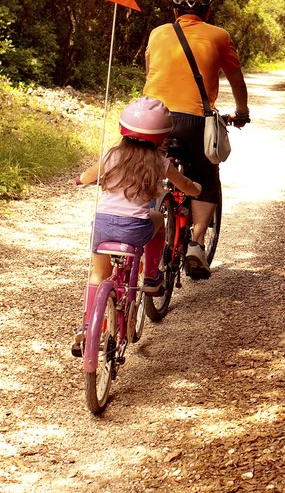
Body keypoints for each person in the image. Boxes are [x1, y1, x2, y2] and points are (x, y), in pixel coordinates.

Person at [71, 97, 201, 357]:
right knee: (158, 220)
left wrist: (80, 180)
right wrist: (196, 189)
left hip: (103, 228)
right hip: (135, 230)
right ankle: (151, 277)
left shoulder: (111, 155)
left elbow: (85, 178)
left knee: (98, 274)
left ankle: (86, 328)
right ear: (162, 136)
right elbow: (186, 186)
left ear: (124, 129)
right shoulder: (160, 162)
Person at [143, 0, 249, 280]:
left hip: (152, 117)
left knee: (147, 168)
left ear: (175, 12)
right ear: (208, 12)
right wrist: (242, 112)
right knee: (206, 178)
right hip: (193, 120)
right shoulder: (219, 36)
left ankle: (143, 218)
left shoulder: (157, 33)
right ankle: (197, 243)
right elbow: (236, 80)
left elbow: (150, 73)